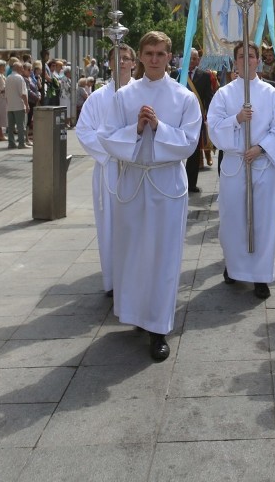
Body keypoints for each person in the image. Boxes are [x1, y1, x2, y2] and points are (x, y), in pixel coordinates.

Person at [98, 31, 202, 362]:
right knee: (133, 252)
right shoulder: (124, 96)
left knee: (163, 254)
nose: (154, 59)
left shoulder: (183, 97)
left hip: (166, 183)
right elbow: (108, 138)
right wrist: (136, 130)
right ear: (140, 56)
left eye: (160, 53)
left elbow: (189, 142)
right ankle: (136, 313)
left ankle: (159, 326)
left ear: (170, 57)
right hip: (133, 182)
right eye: (149, 53)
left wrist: (158, 128)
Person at [207, 41, 275, 300]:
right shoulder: (224, 94)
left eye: (251, 56)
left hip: (262, 164)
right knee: (233, 220)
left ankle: (260, 275)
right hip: (235, 164)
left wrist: (262, 148)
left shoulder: (270, 94)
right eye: (242, 56)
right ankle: (234, 267)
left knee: (263, 221)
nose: (247, 60)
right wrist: (236, 120)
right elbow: (213, 126)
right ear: (236, 61)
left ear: (259, 61)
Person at [77, 44, 136, 296]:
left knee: (136, 224)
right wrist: (111, 150)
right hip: (109, 170)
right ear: (109, 63)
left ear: (134, 63)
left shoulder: (141, 92)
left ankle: (135, 276)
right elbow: (83, 131)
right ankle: (112, 280)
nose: (121, 63)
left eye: (126, 58)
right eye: (116, 59)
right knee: (109, 224)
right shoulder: (97, 98)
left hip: (136, 169)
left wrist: (129, 149)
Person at [184, 47, 216, 192]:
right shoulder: (176, 74)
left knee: (195, 151)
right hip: (180, 116)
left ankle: (191, 183)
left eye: (196, 58)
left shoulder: (204, 76)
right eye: (190, 57)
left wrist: (209, 116)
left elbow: (208, 97)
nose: (193, 60)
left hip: (197, 117)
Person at [6, 61, 29, 149]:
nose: (23, 69)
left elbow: (6, 93)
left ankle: (11, 143)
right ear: (19, 69)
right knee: (20, 125)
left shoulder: (8, 77)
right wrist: (27, 105)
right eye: (22, 68)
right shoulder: (19, 78)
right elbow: (23, 93)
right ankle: (21, 143)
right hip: (19, 105)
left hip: (10, 105)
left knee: (11, 126)